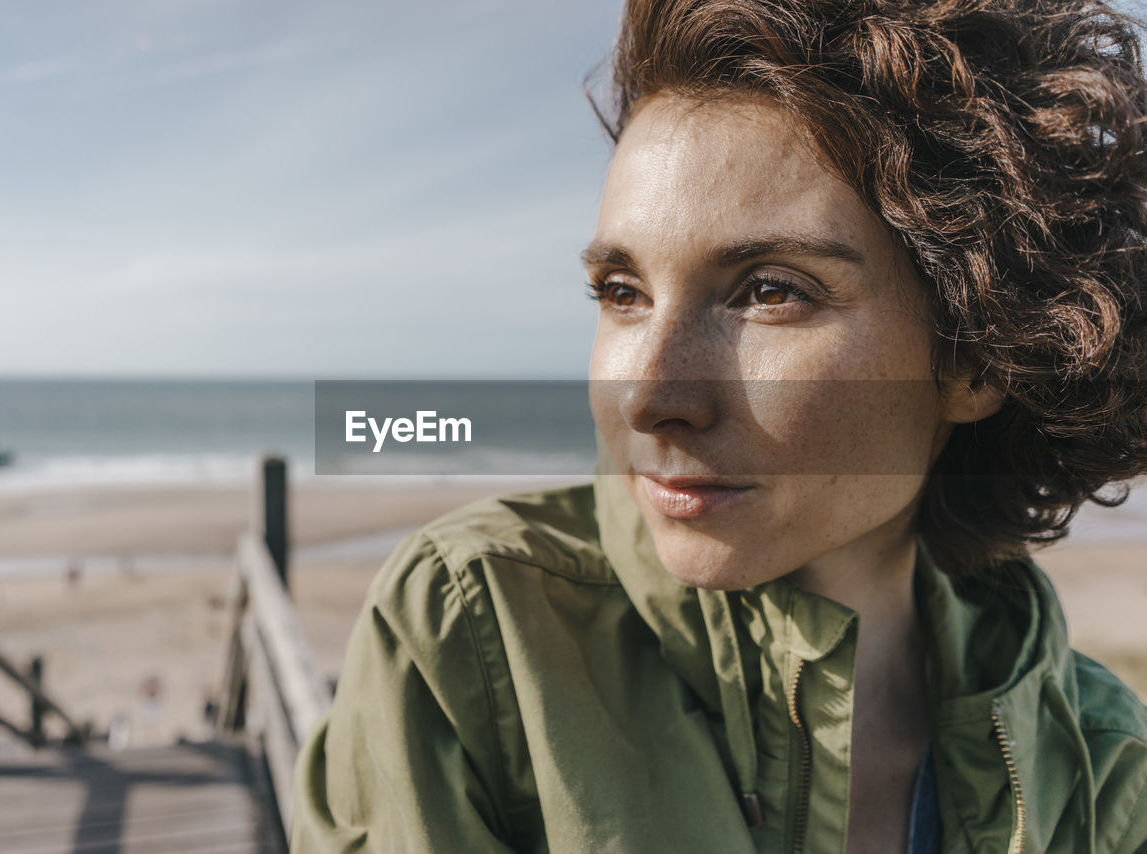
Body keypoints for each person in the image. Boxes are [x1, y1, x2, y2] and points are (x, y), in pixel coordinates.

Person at [292, 0, 1147, 850]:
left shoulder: (1102, 772)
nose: (649, 396)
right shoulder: (475, 636)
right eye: (623, 294)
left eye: (770, 291)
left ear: (980, 354)